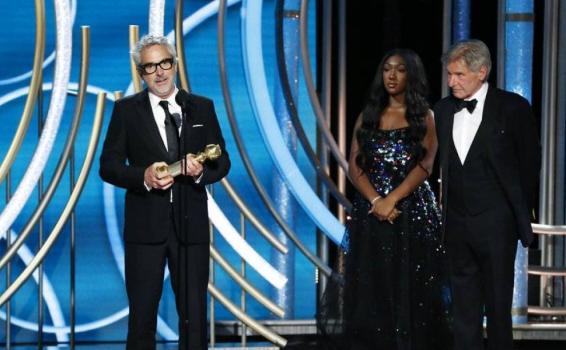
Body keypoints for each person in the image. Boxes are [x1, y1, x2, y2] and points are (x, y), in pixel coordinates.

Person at [99, 34, 230, 350]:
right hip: (145, 228)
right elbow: (108, 166)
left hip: (191, 227)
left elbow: (222, 161)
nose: (159, 73)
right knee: (143, 317)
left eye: (165, 63)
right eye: (149, 67)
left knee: (194, 317)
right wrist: (142, 176)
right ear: (140, 73)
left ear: (175, 64)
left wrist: (201, 174)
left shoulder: (200, 107)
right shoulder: (126, 111)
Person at [317, 49, 452, 350]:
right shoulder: (368, 115)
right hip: (372, 212)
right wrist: (377, 200)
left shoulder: (425, 116)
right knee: (373, 289)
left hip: (412, 212)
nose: (391, 76)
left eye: (400, 70)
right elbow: (354, 164)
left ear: (411, 75)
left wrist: (392, 199)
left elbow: (426, 165)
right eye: (387, 69)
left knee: (413, 289)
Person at [434, 39, 541, 350]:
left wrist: (518, 215)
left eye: (459, 75)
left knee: (497, 307)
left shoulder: (513, 108)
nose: (451, 81)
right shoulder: (442, 110)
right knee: (463, 311)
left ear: (482, 72)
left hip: (497, 224)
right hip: (456, 224)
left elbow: (529, 163)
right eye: (449, 74)